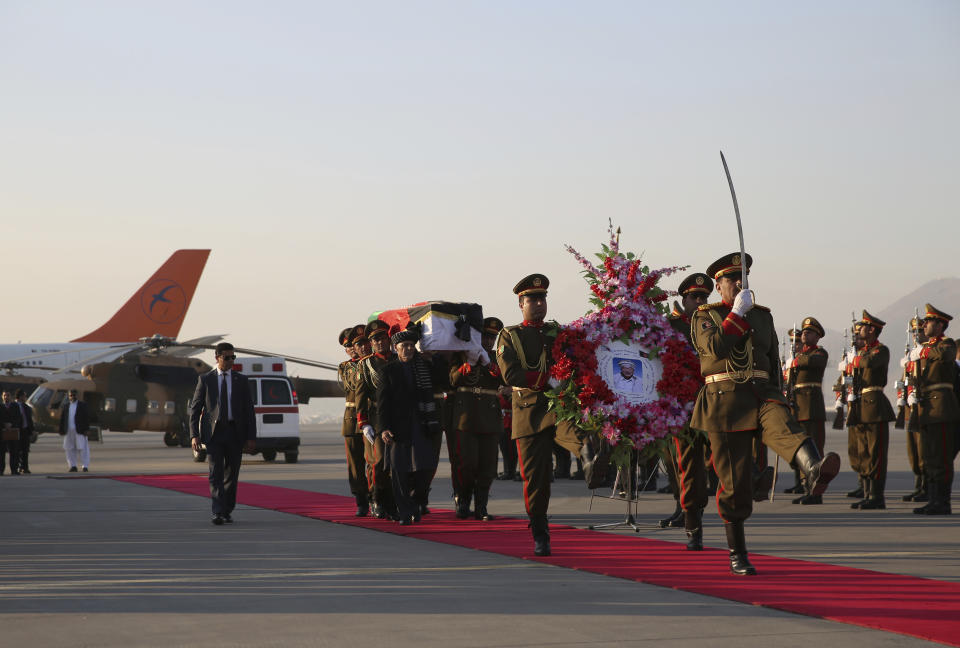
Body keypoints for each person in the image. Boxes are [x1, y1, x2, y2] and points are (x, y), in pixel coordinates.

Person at [689, 253, 840, 575]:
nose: (741, 284)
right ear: (719, 285)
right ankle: (737, 551)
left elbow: (770, 360)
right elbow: (716, 348)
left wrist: (778, 392)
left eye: (743, 279)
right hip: (725, 399)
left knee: (784, 425)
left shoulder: (762, 316)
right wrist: (736, 313)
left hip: (761, 392)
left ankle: (813, 468)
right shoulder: (706, 316)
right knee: (735, 483)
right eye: (733, 279)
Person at [496, 273, 607, 556]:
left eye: (542, 299)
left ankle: (589, 459)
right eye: (532, 299)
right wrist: (547, 379)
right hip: (528, 412)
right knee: (536, 480)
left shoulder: (557, 332)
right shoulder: (510, 335)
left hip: (557, 407)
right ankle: (540, 531)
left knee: (578, 434)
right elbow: (511, 374)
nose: (538, 304)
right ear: (521, 303)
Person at [376, 326, 446, 525]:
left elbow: (444, 380)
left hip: (423, 425)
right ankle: (405, 513)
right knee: (399, 472)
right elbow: (383, 404)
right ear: (396, 349)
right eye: (403, 346)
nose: (407, 349)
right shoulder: (387, 371)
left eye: (410, 346)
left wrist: (432, 359)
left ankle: (416, 502)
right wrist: (384, 428)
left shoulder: (424, 367)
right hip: (398, 428)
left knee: (425, 469)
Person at [664, 272, 712, 549]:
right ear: (684, 299)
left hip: (708, 401)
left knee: (702, 465)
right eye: (695, 297)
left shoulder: (712, 324)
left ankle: (695, 516)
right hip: (677, 403)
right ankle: (683, 508)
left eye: (704, 297)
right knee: (678, 463)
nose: (700, 301)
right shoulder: (671, 326)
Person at [189, 342, 257, 525]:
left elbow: (249, 411)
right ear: (217, 358)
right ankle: (217, 511)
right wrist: (194, 435)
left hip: (235, 433)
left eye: (233, 357)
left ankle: (227, 510)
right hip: (214, 434)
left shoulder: (241, 380)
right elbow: (195, 410)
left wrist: (251, 437)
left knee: (232, 474)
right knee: (215, 473)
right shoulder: (206, 379)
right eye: (227, 357)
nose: (230, 361)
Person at [448, 317, 505, 521]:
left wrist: (489, 363)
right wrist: (470, 363)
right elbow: (453, 380)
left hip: (489, 416)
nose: (489, 342)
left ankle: (481, 506)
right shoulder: (462, 354)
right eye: (485, 337)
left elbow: (505, 379)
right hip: (466, 416)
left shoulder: (498, 357)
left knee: (488, 466)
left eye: (492, 338)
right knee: (467, 463)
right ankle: (462, 501)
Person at [906, 304, 959, 515]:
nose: (924, 325)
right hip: (926, 408)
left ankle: (943, 502)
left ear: (939, 325)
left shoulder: (946, 345)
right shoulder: (925, 350)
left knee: (942, 457)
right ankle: (933, 499)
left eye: (928, 322)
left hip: (941, 408)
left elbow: (946, 355)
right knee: (929, 457)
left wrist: (924, 351)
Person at [842, 311, 895, 510]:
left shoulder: (881, 350)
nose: (858, 330)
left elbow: (869, 363)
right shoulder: (862, 352)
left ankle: (877, 496)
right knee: (863, 451)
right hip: (860, 404)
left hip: (875, 405)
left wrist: (854, 360)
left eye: (862, 327)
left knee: (876, 453)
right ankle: (867, 492)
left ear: (872, 330)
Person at [784, 317, 829, 505]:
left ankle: (816, 492)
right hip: (797, 407)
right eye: (803, 332)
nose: (804, 334)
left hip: (811, 407)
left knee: (815, 449)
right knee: (803, 451)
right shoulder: (798, 357)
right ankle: (806, 487)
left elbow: (813, 362)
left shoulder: (820, 353)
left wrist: (795, 361)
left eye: (809, 332)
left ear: (817, 336)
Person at [356, 320, 397, 519]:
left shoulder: (398, 360)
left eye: (382, 338)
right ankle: (377, 499)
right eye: (375, 340)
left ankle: (393, 502)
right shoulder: (366, 364)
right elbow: (360, 396)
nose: (379, 342)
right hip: (376, 419)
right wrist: (363, 423)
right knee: (379, 463)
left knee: (398, 463)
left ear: (389, 339)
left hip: (397, 417)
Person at [338, 326, 369, 516]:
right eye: (349, 346)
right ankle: (361, 499)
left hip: (371, 418)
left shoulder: (371, 363)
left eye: (356, 344)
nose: (352, 349)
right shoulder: (346, 367)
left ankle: (376, 497)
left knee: (375, 463)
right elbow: (353, 384)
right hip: (352, 420)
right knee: (355, 465)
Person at [59, 389, 91, 472]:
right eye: (71, 395)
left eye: (74, 395)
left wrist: (87, 429)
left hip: (80, 430)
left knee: (83, 448)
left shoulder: (82, 405)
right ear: (69, 396)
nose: (73, 397)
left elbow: (86, 418)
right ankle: (73, 466)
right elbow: (63, 419)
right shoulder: (66, 406)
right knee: (69, 448)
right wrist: (61, 429)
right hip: (69, 431)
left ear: (77, 395)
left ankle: (85, 466)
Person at [14, 390, 35, 474]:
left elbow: (30, 420)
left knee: (25, 450)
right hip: (17, 430)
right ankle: (18, 467)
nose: (25, 398)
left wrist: (32, 430)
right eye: (24, 396)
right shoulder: (14, 406)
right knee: (17, 450)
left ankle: (25, 467)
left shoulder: (27, 407)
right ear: (20, 396)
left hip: (25, 430)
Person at [1, 391, 21, 475]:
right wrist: (4, 424)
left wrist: (11, 424)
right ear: (2, 396)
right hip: (2, 431)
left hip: (12, 431)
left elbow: (18, 417)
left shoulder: (15, 406)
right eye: (5, 395)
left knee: (14, 452)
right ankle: (1, 470)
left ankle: (14, 469)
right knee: (1, 453)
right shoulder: (0, 406)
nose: (6, 397)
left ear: (11, 397)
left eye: (8, 395)